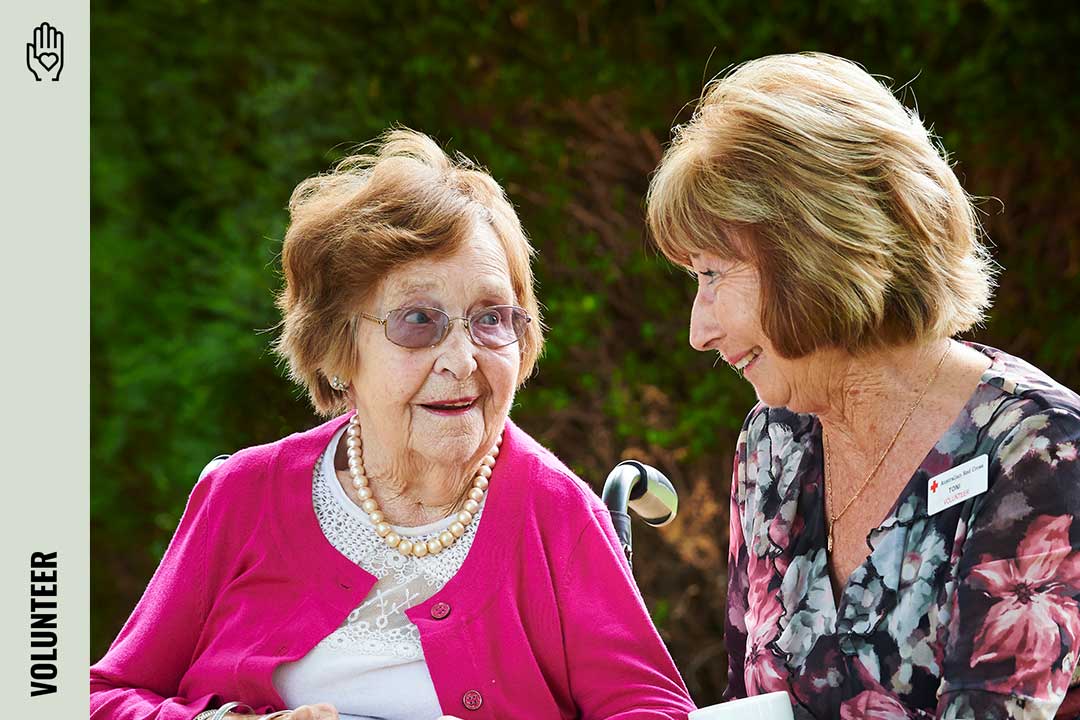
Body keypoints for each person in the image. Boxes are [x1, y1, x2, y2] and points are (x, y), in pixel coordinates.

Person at [91, 130, 695, 720]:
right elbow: (100, 696)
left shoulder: (557, 514)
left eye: (490, 319)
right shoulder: (244, 496)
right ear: (334, 350)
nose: (462, 362)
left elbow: (653, 709)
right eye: (417, 321)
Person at [645, 53, 1080, 719]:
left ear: (817, 251)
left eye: (714, 274)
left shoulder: (1040, 457)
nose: (698, 331)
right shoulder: (774, 443)